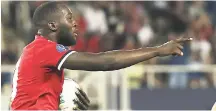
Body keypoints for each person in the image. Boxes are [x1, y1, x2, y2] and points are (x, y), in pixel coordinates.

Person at [10, 1, 192, 110]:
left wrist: (59, 100)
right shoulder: (44, 49)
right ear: (52, 25)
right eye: (69, 18)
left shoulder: (36, 52)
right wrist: (157, 51)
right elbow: (105, 62)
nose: (75, 24)